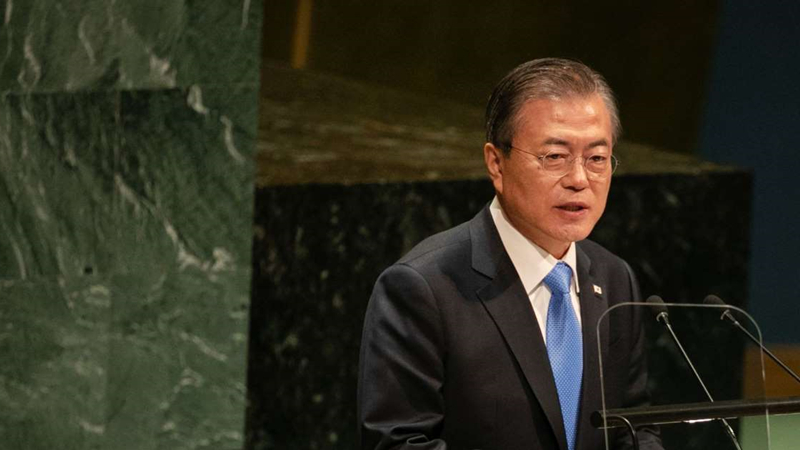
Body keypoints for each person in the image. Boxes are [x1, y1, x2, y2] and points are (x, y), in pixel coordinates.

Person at [357, 58, 662, 450]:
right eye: (555, 156)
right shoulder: (423, 288)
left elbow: (631, 425)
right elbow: (398, 443)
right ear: (496, 163)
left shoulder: (613, 277)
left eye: (597, 158)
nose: (579, 179)